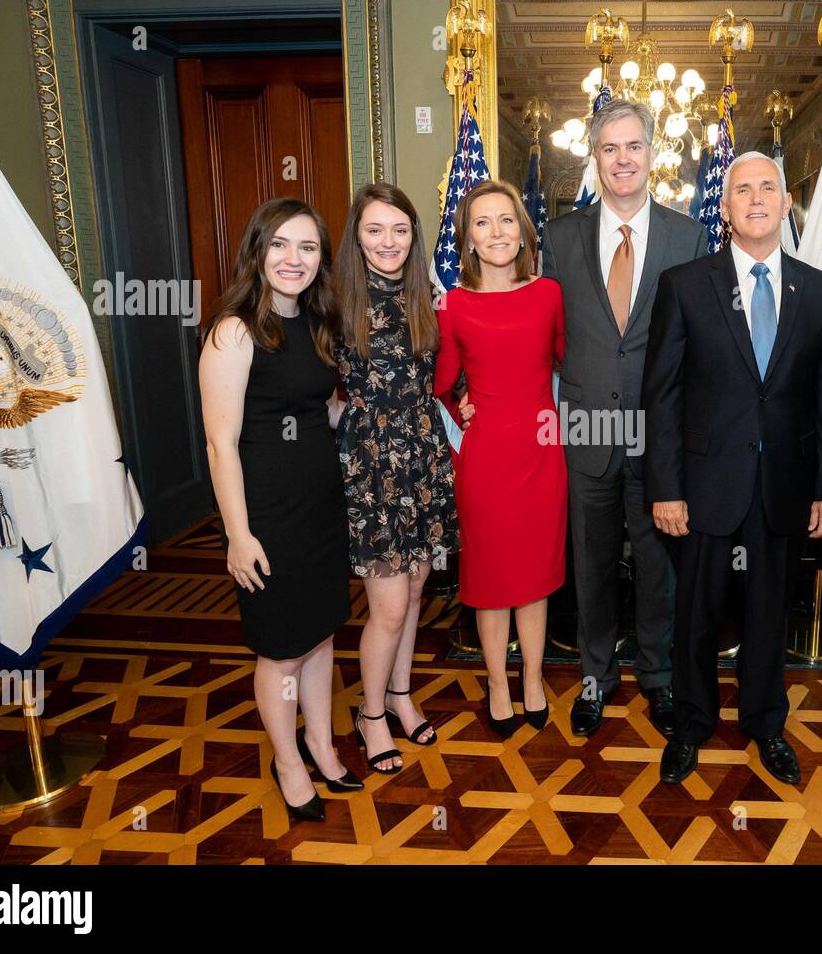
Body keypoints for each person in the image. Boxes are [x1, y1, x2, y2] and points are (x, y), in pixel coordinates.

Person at [643, 152, 822, 786]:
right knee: (696, 617)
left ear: (787, 203)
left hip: (784, 489)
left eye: (769, 188)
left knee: (769, 616)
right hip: (705, 488)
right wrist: (666, 487)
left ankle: (766, 723)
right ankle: (691, 723)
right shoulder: (685, 284)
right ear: (726, 209)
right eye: (742, 190)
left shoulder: (820, 291)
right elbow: (663, 396)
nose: (756, 198)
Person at [541, 98, 708, 739]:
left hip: (659, 434)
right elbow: (546, 339)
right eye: (608, 149)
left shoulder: (687, 236)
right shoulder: (558, 238)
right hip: (585, 434)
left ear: (653, 152)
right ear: (594, 156)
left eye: (633, 146)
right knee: (593, 567)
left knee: (658, 568)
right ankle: (594, 678)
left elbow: (698, 343)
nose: (622, 160)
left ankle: (659, 680)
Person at [199, 197, 361, 825]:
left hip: (321, 509)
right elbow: (220, 443)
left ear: (321, 259)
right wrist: (238, 535)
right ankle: (287, 760)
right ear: (257, 251)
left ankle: (320, 743)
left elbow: (311, 411)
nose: (293, 259)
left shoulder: (316, 322)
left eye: (308, 247)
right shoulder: (235, 329)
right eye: (280, 245)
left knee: (320, 635)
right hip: (268, 517)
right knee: (281, 651)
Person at [332, 183, 461, 773]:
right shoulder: (332, 304)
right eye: (375, 230)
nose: (388, 242)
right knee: (385, 606)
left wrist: (469, 403)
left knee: (413, 593)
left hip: (422, 455)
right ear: (356, 237)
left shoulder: (425, 298)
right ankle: (371, 716)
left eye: (400, 230)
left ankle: (401, 697)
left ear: (414, 237)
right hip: (371, 466)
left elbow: (444, 376)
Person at [434, 179, 566, 738]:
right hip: (485, 459)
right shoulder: (453, 304)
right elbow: (440, 382)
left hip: (541, 453)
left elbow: (567, 361)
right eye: (482, 222)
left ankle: (533, 679)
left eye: (506, 220)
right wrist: (459, 406)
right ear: (466, 238)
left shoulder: (550, 294)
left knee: (533, 577)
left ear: (522, 230)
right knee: (490, 580)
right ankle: (496, 682)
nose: (495, 232)